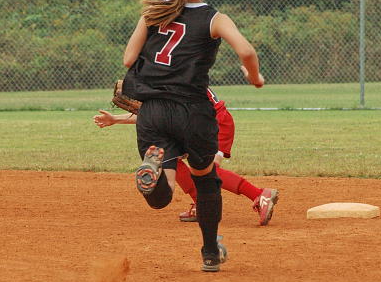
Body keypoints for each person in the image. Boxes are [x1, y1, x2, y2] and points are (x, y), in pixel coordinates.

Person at [121, 0, 264, 272]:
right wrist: (255, 77)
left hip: (152, 111)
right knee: (206, 180)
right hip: (193, 112)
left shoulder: (154, 12)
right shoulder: (215, 18)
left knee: (163, 195)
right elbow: (246, 51)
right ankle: (210, 253)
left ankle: (152, 173)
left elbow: (128, 59)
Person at [93, 86, 279, 226]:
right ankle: (200, 204)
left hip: (214, 122)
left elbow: (162, 115)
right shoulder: (174, 76)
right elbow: (158, 116)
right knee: (170, 159)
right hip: (196, 122)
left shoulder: (175, 80)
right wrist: (115, 119)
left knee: (208, 171)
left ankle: (260, 194)